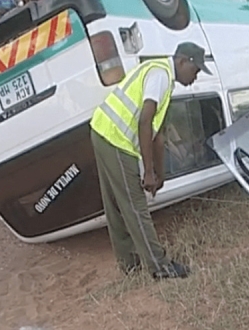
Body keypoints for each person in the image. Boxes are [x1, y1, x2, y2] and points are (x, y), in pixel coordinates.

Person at [89, 42, 212, 278]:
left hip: (101, 131)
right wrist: (147, 171)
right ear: (182, 61)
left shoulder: (161, 75)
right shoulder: (161, 74)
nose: (195, 78)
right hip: (115, 138)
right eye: (195, 71)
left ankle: (130, 263)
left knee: (115, 203)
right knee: (135, 205)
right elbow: (145, 121)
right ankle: (160, 266)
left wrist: (160, 174)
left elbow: (157, 135)